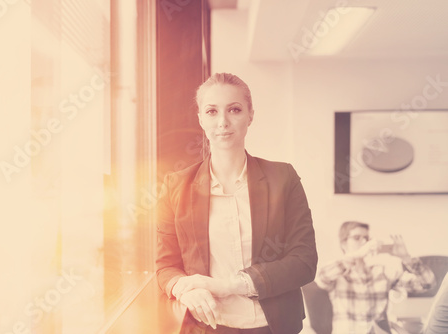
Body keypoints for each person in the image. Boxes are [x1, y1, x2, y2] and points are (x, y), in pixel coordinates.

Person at [155, 73, 317, 334]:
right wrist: (184, 291)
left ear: (250, 115)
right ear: (200, 118)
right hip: (207, 326)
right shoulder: (176, 186)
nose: (223, 122)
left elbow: (304, 262)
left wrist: (230, 285)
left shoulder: (283, 178)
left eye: (234, 109)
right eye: (211, 111)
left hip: (274, 326)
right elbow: (165, 266)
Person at [315, 221, 436, 334]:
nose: (364, 242)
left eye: (366, 238)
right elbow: (321, 277)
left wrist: (406, 258)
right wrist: (357, 255)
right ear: (343, 243)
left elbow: (427, 284)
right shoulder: (338, 272)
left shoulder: (382, 272)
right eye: (357, 238)